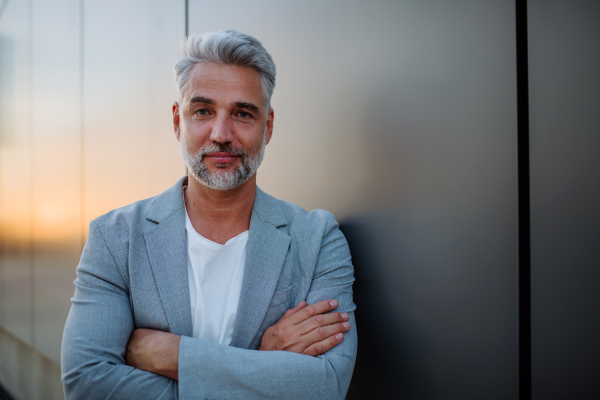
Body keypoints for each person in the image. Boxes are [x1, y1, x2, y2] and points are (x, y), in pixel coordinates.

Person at [61, 30, 357, 400]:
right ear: (177, 121)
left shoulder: (316, 238)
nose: (221, 134)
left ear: (268, 127)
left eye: (242, 113)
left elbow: (326, 384)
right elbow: (87, 384)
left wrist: (174, 354)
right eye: (203, 111)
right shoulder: (115, 238)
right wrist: (259, 362)